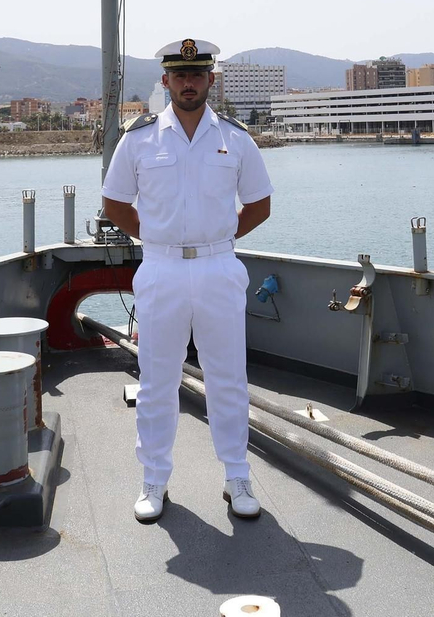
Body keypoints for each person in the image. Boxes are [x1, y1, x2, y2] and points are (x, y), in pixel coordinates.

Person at [100, 38, 274, 524]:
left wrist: (219, 237)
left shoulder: (236, 138)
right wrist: (154, 237)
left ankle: (236, 475)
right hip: (161, 269)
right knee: (158, 380)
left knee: (228, 379)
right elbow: (114, 204)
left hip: (219, 268)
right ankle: (153, 481)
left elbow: (259, 204)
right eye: (180, 75)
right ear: (166, 81)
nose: (189, 83)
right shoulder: (139, 139)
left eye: (197, 75)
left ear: (210, 81)